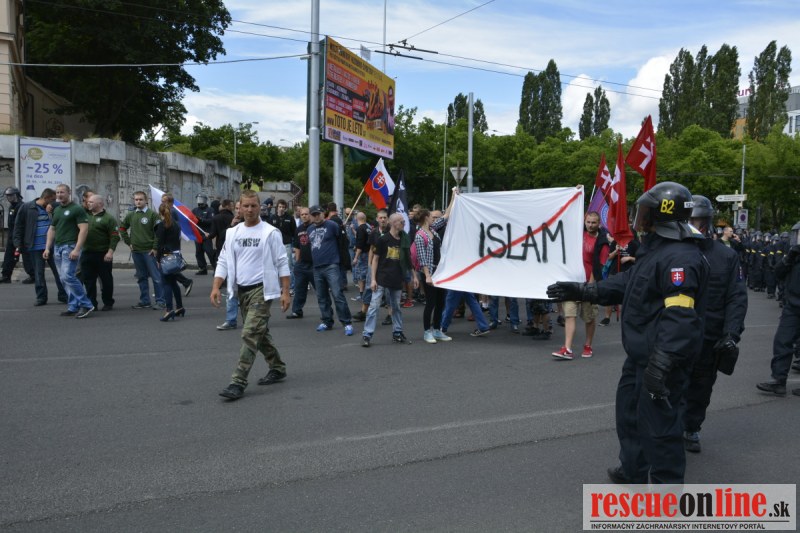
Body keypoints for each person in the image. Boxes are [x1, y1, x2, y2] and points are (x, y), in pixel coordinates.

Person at [548, 182, 709, 485]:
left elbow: (680, 317)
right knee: (630, 416)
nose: (640, 220)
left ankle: (666, 495)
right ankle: (633, 470)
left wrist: (662, 363)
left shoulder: (680, 257)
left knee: (660, 430)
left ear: (662, 216)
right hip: (640, 356)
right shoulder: (658, 251)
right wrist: (584, 290)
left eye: (646, 213)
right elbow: (628, 283)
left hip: (661, 360)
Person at [682, 195, 747, 453]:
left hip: (709, 336)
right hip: (675, 335)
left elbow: (736, 297)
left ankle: (691, 427)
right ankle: (667, 429)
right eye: (689, 220)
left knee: (701, 387)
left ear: (708, 222)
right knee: (669, 385)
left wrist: (731, 333)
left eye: (698, 220)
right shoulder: (673, 252)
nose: (693, 225)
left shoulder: (726, 256)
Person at [211, 189, 291, 401]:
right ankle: (277, 367)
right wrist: (216, 286)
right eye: (245, 206)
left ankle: (237, 382)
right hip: (241, 291)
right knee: (259, 333)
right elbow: (223, 261)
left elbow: (282, 262)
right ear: (239, 208)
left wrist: (285, 292)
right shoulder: (233, 233)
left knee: (249, 334)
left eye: (253, 205)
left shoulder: (270, 232)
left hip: (262, 291)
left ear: (260, 207)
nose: (249, 209)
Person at [552, 211, 608, 359]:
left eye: (593, 222)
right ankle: (567, 348)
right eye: (588, 222)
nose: (590, 225)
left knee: (589, 318)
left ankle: (588, 346)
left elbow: (599, 266)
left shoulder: (602, 243)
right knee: (569, 315)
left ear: (599, 224)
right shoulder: (577, 235)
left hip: (589, 285)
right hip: (572, 283)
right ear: (584, 221)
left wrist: (590, 285)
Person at [361, 213, 417, 347]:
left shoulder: (404, 239)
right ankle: (367, 334)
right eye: (401, 222)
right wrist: (373, 279)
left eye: (404, 221)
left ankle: (397, 332)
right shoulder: (383, 240)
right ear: (393, 223)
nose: (404, 224)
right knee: (374, 307)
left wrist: (414, 276)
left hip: (397, 279)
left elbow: (408, 259)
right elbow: (375, 260)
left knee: (396, 307)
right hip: (382, 278)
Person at [43, 183, 95, 318]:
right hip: (58, 248)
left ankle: (86, 304)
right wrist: (47, 247)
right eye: (58, 192)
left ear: (69, 193)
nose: (59, 195)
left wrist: (77, 249)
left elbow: (84, 230)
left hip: (70, 247)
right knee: (63, 278)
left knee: (68, 276)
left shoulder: (77, 209)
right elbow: (52, 229)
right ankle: (73, 305)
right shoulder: (57, 210)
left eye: (62, 192)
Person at [756, 242, 800, 397]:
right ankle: (778, 380)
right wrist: (790, 256)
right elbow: (778, 273)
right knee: (782, 341)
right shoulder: (795, 254)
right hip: (793, 306)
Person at [12, 188, 67, 305]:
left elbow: (64, 205)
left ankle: (63, 295)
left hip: (52, 246)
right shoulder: (27, 207)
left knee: (59, 272)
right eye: (52, 200)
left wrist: (52, 207)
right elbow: (18, 226)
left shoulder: (53, 208)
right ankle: (41, 297)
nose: (54, 202)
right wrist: (17, 244)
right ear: (46, 198)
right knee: (38, 273)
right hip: (35, 247)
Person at [308, 204, 353, 335]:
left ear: (323, 213)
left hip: (332, 265)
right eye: (314, 215)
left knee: (337, 294)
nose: (316, 216)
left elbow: (343, 242)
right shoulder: (309, 229)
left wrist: (343, 262)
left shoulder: (332, 225)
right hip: (317, 267)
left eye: (318, 214)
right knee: (321, 296)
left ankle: (347, 323)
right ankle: (327, 321)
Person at [120, 191, 165, 309]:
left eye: (140, 199)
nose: (138, 202)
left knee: (156, 277)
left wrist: (155, 247)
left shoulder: (152, 215)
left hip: (149, 251)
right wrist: (128, 242)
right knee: (141, 277)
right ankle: (145, 301)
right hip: (136, 251)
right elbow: (122, 228)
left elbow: (158, 233)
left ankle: (161, 301)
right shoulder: (131, 215)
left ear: (146, 201)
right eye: (136, 200)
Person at [414, 207, 451, 343]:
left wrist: (454, 197)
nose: (433, 219)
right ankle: (427, 332)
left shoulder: (433, 230)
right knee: (431, 302)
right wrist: (427, 275)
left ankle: (436, 329)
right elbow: (422, 258)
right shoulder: (420, 235)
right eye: (431, 216)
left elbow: (445, 216)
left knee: (441, 302)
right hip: (429, 272)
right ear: (425, 218)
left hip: (439, 271)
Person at [80, 194, 119, 311]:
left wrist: (110, 252)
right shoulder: (85, 216)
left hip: (103, 254)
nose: (88, 204)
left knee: (106, 280)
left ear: (100, 204)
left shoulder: (108, 218)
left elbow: (115, 236)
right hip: (87, 253)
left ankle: (108, 302)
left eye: (91, 202)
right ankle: (92, 303)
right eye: (88, 202)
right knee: (88, 280)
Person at [154, 203, 186, 322]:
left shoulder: (162, 226)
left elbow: (160, 245)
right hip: (175, 256)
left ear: (160, 213)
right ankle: (179, 307)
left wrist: (158, 259)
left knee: (166, 283)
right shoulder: (176, 225)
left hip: (165, 256)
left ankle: (169, 310)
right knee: (173, 282)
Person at [158, 193, 194, 296]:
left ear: (170, 202)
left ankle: (184, 282)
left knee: (168, 267)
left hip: (169, 246)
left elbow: (171, 229)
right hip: (172, 245)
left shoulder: (171, 212)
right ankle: (181, 284)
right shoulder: (171, 211)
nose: (162, 203)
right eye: (161, 201)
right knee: (169, 268)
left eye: (164, 201)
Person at [1, 187, 34, 283]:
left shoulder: (22, 206)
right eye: (8, 196)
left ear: (16, 195)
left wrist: (21, 237)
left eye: (11, 195)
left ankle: (33, 275)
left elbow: (23, 224)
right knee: (9, 257)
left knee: (27, 257)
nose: (9, 198)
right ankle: (6, 276)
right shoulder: (11, 207)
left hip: (21, 236)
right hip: (12, 235)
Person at [287, 206, 315, 319]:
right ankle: (297, 311)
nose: (304, 216)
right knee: (299, 289)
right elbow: (297, 246)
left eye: (306, 214)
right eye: (302, 214)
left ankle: (327, 313)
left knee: (321, 291)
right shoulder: (298, 229)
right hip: (302, 264)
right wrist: (297, 262)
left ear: (310, 215)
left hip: (314, 264)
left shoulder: (315, 227)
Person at [267, 199, 297, 292]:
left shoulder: (290, 218)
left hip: (286, 244)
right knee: (275, 267)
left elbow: (294, 232)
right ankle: (279, 286)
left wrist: (294, 245)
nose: (281, 209)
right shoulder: (272, 218)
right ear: (277, 208)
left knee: (288, 266)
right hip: (275, 245)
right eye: (280, 207)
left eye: (283, 207)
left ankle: (291, 287)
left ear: (285, 208)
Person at [192, 194, 215, 275]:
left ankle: (216, 268)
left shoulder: (210, 210)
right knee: (199, 253)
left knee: (209, 252)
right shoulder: (195, 210)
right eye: (198, 199)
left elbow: (211, 221)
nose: (200, 201)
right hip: (198, 235)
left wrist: (201, 220)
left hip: (206, 235)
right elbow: (190, 219)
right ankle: (202, 268)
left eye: (201, 199)